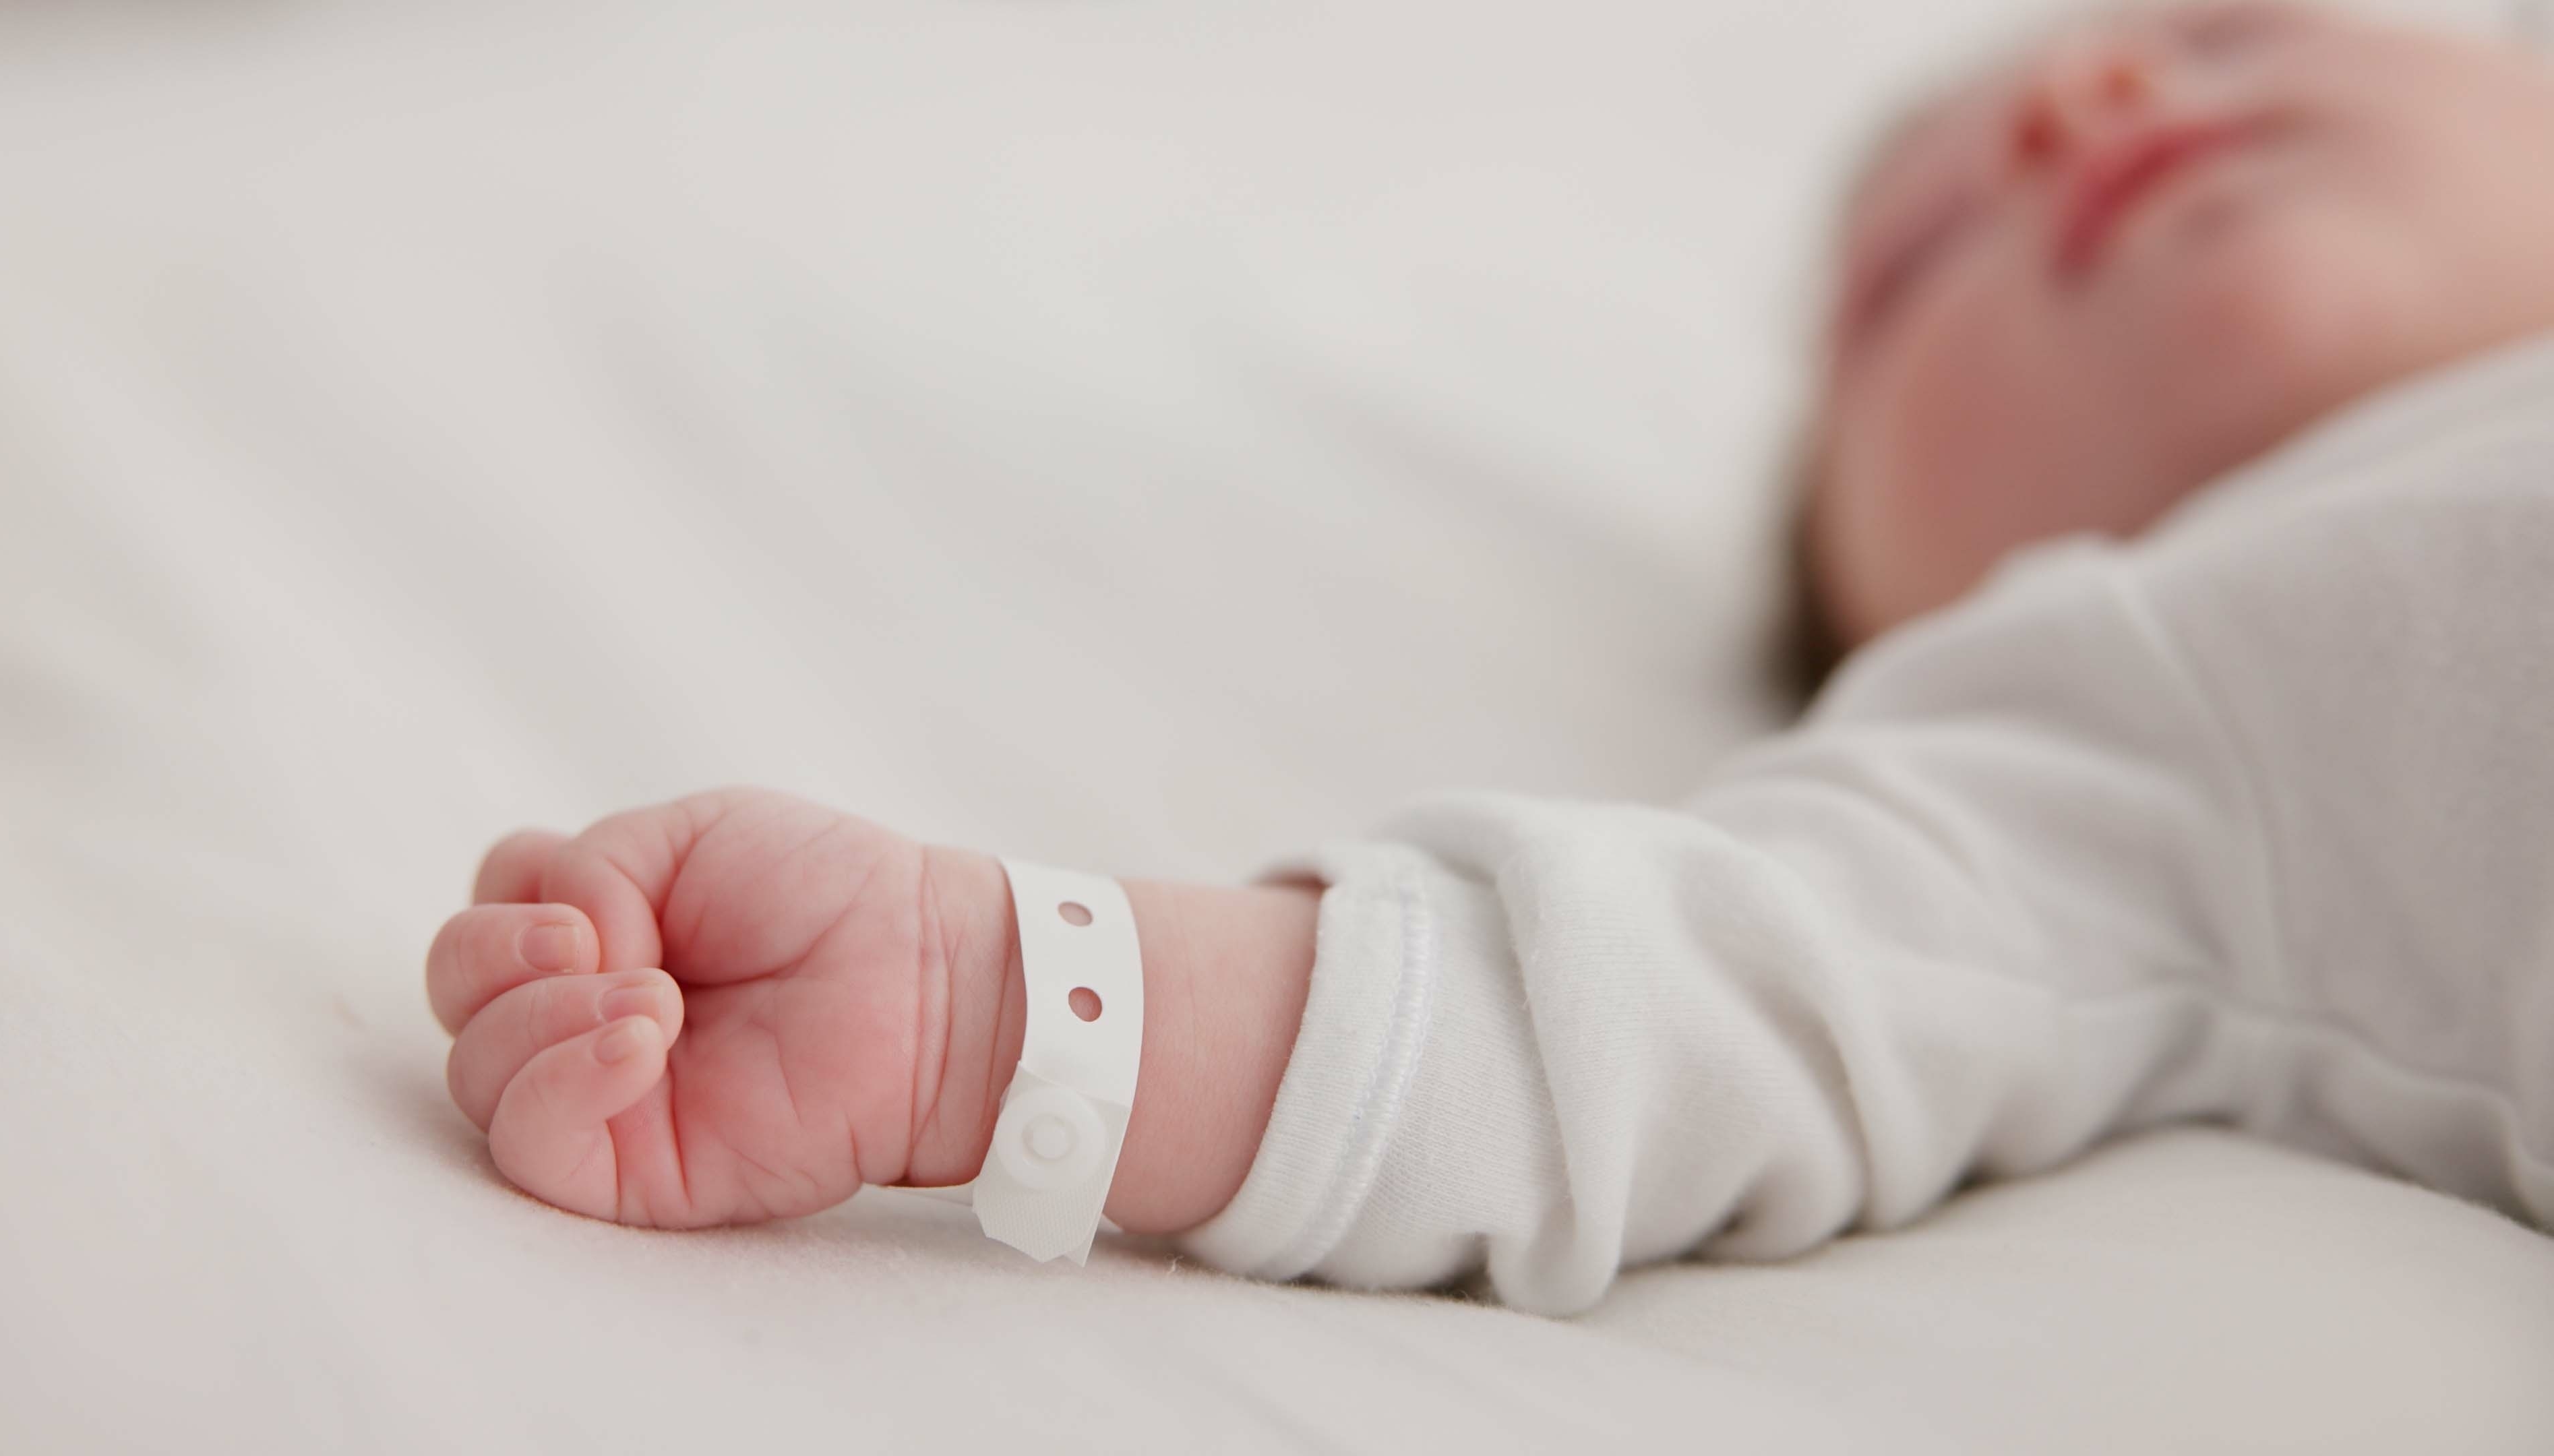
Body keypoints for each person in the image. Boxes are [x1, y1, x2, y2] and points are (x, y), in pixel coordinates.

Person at [419, 2, 2554, 1314]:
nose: (2084, 97)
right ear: (1902, 607)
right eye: (1922, 265)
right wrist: (985, 996)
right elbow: (1610, 1003)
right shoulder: (2111, 708)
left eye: (2231, 29)